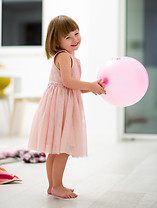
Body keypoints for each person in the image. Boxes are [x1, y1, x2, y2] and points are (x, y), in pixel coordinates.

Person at [28, 15, 106, 199]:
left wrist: (92, 87)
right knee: (63, 147)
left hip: (61, 104)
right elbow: (68, 82)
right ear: (56, 41)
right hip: (60, 107)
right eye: (68, 37)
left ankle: (52, 186)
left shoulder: (70, 57)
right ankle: (57, 186)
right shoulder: (63, 56)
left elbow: (72, 87)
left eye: (76, 33)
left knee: (55, 149)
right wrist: (90, 85)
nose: (75, 39)